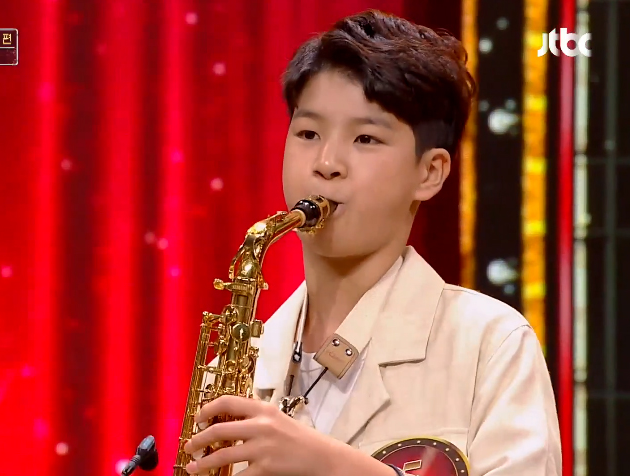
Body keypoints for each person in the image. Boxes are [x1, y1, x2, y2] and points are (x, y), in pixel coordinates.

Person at [181, 9, 562, 476]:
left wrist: (330, 466)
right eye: (308, 133)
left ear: (430, 172)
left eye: (364, 138)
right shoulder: (235, 371)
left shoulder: (491, 344)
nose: (326, 163)